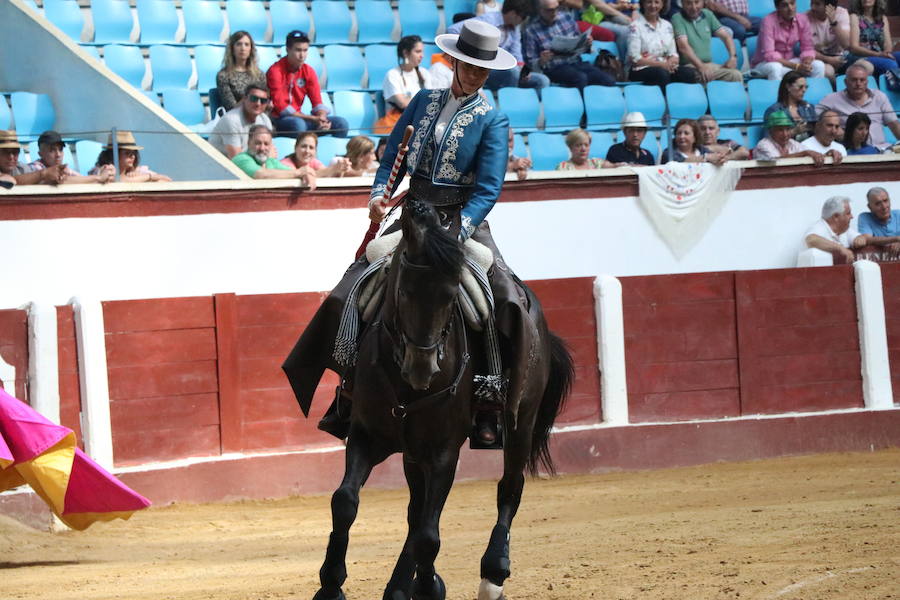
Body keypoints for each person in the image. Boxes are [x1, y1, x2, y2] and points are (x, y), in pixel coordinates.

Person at [282, 20, 526, 448]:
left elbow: (488, 188)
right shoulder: (423, 101)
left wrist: (458, 231)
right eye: (468, 65)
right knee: (351, 287)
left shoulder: (493, 120)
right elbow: (391, 152)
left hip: (461, 222)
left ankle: (489, 401)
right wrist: (379, 195)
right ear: (453, 61)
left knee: (502, 296)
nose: (474, 75)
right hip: (413, 214)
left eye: (482, 69)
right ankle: (349, 390)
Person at [448, 0, 551, 92]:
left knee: (542, 80)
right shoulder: (488, 20)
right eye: (523, 17)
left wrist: (523, 70)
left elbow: (516, 54)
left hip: (505, 71)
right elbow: (453, 30)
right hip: (483, 69)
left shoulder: (514, 29)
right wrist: (469, 52)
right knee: (513, 72)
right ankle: (511, 103)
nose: (523, 21)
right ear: (513, 13)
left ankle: (526, 107)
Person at [266, 30, 349, 139]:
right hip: (279, 120)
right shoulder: (275, 71)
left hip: (302, 119)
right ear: (287, 50)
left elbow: (317, 102)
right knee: (298, 125)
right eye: (298, 50)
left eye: (305, 50)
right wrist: (312, 119)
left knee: (341, 124)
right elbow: (282, 108)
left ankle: (337, 155)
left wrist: (322, 117)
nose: (302, 55)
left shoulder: (309, 71)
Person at [523, 0, 616, 88]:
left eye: (556, 8)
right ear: (540, 10)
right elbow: (530, 62)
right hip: (554, 67)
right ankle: (580, 104)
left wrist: (587, 43)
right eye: (550, 10)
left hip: (576, 62)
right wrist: (541, 60)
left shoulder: (566, 18)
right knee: (580, 78)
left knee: (607, 80)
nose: (554, 12)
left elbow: (579, 44)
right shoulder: (531, 31)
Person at [817, 62, 900, 149]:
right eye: (854, 80)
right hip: (852, 152)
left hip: (881, 149)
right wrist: (836, 130)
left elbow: (894, 124)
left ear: (867, 82)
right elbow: (812, 118)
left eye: (862, 80)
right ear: (846, 82)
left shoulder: (879, 96)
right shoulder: (832, 99)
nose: (858, 83)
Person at [627, 0, 701, 87]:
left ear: (662, 4)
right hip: (641, 69)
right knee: (661, 74)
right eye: (649, 2)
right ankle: (662, 100)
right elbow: (635, 59)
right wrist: (662, 65)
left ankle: (681, 100)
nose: (653, 5)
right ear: (643, 4)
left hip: (665, 67)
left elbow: (673, 54)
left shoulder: (667, 26)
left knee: (688, 73)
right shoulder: (635, 26)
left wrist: (669, 64)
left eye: (657, 2)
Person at [751, 0, 826, 80]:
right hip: (765, 64)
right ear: (777, 7)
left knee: (818, 65)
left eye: (792, 3)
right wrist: (796, 66)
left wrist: (807, 61)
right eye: (785, 5)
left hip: (789, 61)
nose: (790, 8)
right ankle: (777, 92)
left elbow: (807, 48)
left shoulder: (802, 19)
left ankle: (812, 92)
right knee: (775, 67)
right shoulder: (768, 21)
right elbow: (769, 55)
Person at [374, 36, 434, 134]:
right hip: (398, 124)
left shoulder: (424, 73)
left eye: (422, 51)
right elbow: (403, 103)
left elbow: (431, 100)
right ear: (405, 53)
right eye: (418, 52)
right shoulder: (393, 74)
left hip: (420, 121)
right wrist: (422, 102)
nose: (422, 55)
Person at [671, 0, 742, 83]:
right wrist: (701, 66)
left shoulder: (708, 14)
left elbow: (726, 36)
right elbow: (683, 47)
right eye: (688, 3)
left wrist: (733, 57)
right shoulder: (677, 18)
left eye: (697, 2)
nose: (694, 7)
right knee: (734, 75)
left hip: (708, 65)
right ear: (682, 4)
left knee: (735, 74)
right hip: (690, 67)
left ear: (703, 2)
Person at [233, 124, 317, 188]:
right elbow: (261, 175)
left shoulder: (271, 162)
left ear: (271, 146)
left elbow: (290, 172)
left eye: (266, 144)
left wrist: (306, 174)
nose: (262, 148)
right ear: (248, 143)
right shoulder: (241, 159)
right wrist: (299, 173)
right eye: (258, 143)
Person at [24, 130, 115, 184]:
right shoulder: (35, 167)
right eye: (52, 150)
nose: (58, 155)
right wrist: (98, 178)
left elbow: (80, 178)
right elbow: (61, 181)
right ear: (40, 154)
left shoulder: (63, 169)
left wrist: (101, 172)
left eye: (60, 149)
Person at [209, 84, 274, 158]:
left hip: (249, 162)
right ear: (244, 99)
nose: (258, 103)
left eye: (263, 101)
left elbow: (270, 153)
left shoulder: (264, 120)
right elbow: (237, 159)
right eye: (254, 98)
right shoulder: (231, 120)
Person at [802, 195, 868, 263]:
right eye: (848, 213)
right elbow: (811, 239)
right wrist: (840, 248)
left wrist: (860, 239)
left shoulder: (844, 229)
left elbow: (859, 238)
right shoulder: (819, 226)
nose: (852, 216)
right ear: (836, 216)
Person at [89, 131, 172, 182]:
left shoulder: (139, 172)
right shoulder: (104, 169)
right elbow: (118, 181)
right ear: (114, 154)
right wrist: (150, 177)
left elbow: (167, 180)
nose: (132, 156)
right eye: (127, 153)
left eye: (134, 153)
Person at [216, 30, 266, 111]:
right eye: (239, 44)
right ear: (232, 48)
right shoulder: (223, 75)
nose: (243, 48)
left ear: (251, 49)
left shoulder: (259, 74)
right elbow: (231, 108)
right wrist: (249, 98)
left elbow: (264, 101)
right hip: (235, 117)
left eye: (246, 44)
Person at [847, 0, 900, 77]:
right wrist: (879, 54)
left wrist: (887, 53)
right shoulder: (854, 17)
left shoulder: (883, 18)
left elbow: (888, 44)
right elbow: (854, 47)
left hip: (881, 54)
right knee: (890, 64)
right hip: (861, 56)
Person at [753, 109, 827, 163]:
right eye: (780, 130)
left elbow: (812, 155)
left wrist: (828, 154)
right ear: (770, 131)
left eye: (788, 129)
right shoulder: (763, 145)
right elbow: (775, 161)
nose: (785, 134)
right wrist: (804, 153)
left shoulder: (793, 143)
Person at [763, 70, 818, 141]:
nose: (804, 90)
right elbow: (769, 140)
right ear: (788, 87)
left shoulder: (808, 107)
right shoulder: (774, 110)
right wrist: (793, 132)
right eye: (800, 87)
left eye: (806, 87)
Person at [0, 129, 67, 185]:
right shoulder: (31, 168)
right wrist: (43, 174)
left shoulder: (22, 168)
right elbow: (11, 181)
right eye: (6, 152)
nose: (11, 157)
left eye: (15, 152)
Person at [806, 0, 851, 79]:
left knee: (864, 66)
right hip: (819, 57)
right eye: (812, 3)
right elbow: (806, 49)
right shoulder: (805, 17)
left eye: (817, 4)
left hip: (841, 56)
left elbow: (846, 44)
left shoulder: (841, 13)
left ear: (829, 7)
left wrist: (833, 22)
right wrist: (828, 59)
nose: (813, 7)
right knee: (828, 72)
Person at [279, 131, 345, 178]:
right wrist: (333, 169)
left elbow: (325, 173)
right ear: (295, 148)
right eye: (303, 146)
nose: (307, 151)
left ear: (315, 151)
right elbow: (298, 176)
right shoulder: (285, 163)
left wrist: (340, 171)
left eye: (311, 148)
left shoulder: (313, 161)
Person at [857, 187, 900, 255]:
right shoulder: (865, 217)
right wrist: (896, 239)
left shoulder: (898, 214)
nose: (884, 206)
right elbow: (867, 239)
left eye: (885, 201)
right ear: (870, 207)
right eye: (878, 204)